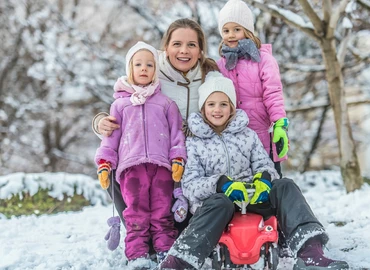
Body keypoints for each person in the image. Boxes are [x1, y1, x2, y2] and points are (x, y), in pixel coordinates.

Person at [156, 72, 349, 270]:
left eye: (224, 104)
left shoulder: (247, 135)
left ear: (231, 107)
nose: (217, 109)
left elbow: (263, 164)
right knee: (220, 202)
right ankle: (179, 262)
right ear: (203, 107)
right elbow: (190, 185)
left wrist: (264, 178)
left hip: (252, 198)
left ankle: (310, 252)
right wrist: (221, 183)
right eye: (211, 104)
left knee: (285, 185)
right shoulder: (194, 142)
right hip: (218, 205)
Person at [92, 18, 219, 229]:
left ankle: (180, 228)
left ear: (201, 50)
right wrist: (99, 122)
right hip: (158, 156)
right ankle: (138, 228)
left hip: (195, 159)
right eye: (177, 44)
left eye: (191, 45)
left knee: (176, 226)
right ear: (165, 48)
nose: (184, 51)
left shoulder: (211, 78)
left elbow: (227, 108)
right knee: (116, 167)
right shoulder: (150, 69)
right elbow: (126, 104)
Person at [94, 41, 187, 269]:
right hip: (131, 170)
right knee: (135, 213)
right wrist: (105, 163)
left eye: (149, 64)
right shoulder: (120, 106)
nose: (143, 68)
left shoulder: (166, 104)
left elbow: (177, 135)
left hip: (162, 168)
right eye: (138, 64)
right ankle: (137, 255)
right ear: (130, 69)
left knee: (162, 212)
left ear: (156, 70)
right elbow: (111, 139)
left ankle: (165, 251)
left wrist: (177, 158)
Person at [217, 0, 289, 177]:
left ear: (247, 30)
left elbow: (273, 94)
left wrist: (280, 123)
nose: (231, 35)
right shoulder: (221, 65)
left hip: (261, 133)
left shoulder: (264, 60)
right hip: (233, 137)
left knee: (268, 182)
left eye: (237, 29)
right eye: (226, 30)